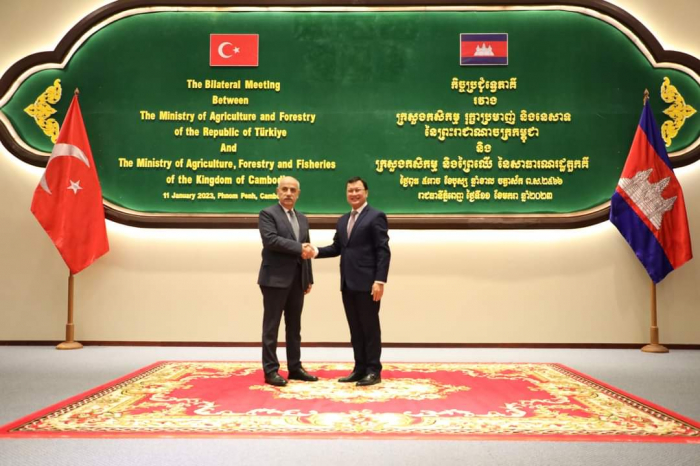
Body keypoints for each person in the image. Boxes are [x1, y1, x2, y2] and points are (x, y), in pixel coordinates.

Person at [313, 177, 391, 386]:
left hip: (368, 284)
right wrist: (315, 251)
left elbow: (383, 250)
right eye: (350, 191)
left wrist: (380, 280)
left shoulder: (376, 216)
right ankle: (359, 368)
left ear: (366, 192)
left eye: (357, 190)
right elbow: (337, 248)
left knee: (369, 328)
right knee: (355, 328)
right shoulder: (343, 220)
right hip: (347, 283)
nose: (354, 194)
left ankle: (373, 370)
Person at [258, 176, 317, 386]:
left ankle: (295, 367)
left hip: (297, 280)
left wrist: (308, 277)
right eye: (284, 189)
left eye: (293, 190)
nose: (288, 193)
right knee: (271, 326)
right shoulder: (267, 214)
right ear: (277, 191)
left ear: (298, 194)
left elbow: (306, 249)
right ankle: (270, 370)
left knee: (294, 326)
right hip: (274, 279)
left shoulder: (302, 218)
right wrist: (300, 248)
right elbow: (271, 240)